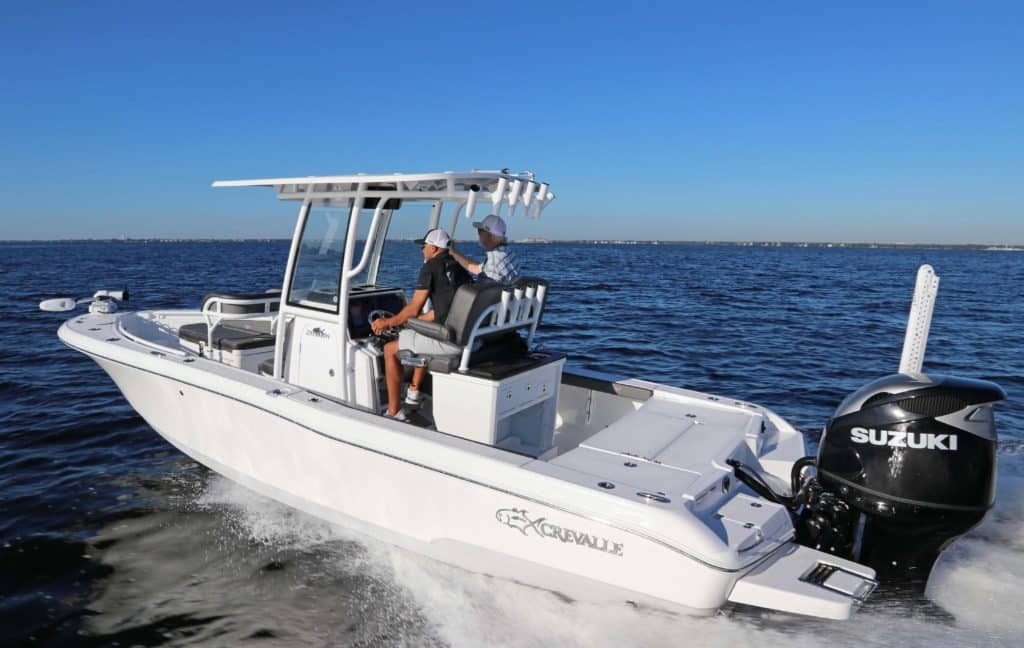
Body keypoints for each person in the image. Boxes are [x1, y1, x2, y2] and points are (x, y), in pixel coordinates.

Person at [370, 228, 471, 419]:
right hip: (463, 335)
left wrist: (386, 322)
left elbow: (413, 309)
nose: (422, 250)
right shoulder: (457, 267)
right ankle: (413, 393)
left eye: (424, 246)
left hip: (449, 341)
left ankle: (394, 412)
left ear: (433, 248)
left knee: (390, 349)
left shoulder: (430, 267)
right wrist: (407, 324)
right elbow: (441, 310)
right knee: (413, 333)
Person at [449, 214, 520, 283]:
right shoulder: (508, 252)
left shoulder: (494, 260)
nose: (478, 234)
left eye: (480, 231)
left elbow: (486, 289)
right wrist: (454, 253)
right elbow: (479, 269)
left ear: (488, 235)